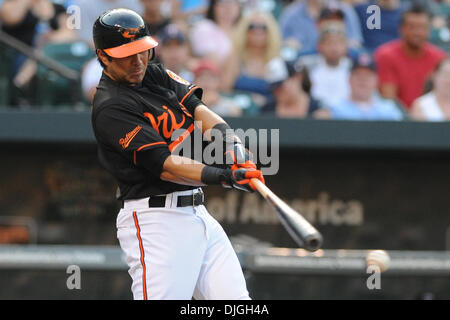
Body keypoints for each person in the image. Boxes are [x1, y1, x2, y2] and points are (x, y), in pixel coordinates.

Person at [91, 8, 264, 300]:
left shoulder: (153, 72)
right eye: (126, 54)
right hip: (156, 221)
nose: (138, 61)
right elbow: (165, 166)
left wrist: (232, 145)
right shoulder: (111, 106)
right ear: (104, 56)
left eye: (142, 51)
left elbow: (198, 110)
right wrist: (225, 176)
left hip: (197, 213)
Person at [374, 5, 446, 110]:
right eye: (412, 27)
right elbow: (389, 100)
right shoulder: (386, 55)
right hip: (399, 120)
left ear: (429, 29)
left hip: (431, 118)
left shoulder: (439, 57)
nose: (417, 32)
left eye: (422, 27)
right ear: (401, 29)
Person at [221, 10, 281, 107]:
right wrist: (250, 97)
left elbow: (283, 94)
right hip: (240, 110)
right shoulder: (235, 57)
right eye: (252, 27)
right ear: (244, 30)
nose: (258, 31)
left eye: (263, 27)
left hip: (270, 112)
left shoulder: (276, 59)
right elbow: (225, 90)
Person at [327, 53, 404, 120]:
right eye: (358, 75)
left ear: (376, 80)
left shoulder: (389, 110)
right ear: (349, 79)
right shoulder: (334, 109)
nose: (363, 80)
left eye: (368, 76)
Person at [279, 0, 362, 55]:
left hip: (339, 63)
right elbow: (282, 46)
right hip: (304, 66)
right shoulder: (291, 14)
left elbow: (355, 43)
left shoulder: (344, 10)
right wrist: (289, 46)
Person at [263, 56, 329, 119]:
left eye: (280, 86)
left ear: (297, 78)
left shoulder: (318, 108)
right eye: (273, 87)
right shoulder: (267, 109)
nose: (276, 91)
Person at [305, 23, 352, 108]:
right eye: (329, 43)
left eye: (339, 43)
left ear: (346, 46)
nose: (334, 48)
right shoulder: (306, 66)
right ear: (319, 46)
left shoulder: (353, 68)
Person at [189, 0, 241, 64]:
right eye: (222, 2)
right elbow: (212, 63)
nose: (228, 7)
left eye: (233, 2)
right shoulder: (204, 27)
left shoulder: (245, 29)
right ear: (213, 6)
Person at [73, 0, 143, 46]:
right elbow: (87, 38)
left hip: (133, 46)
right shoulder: (83, 5)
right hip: (98, 53)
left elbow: (142, 30)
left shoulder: (135, 2)